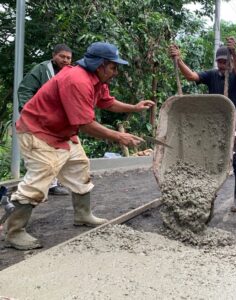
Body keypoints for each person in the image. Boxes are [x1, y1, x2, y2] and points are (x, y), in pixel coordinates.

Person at [5, 42, 155, 250]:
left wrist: (135, 107)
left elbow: (107, 102)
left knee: (79, 166)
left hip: (61, 132)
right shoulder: (76, 80)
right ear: (101, 65)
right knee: (40, 177)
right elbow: (84, 124)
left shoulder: (97, 79)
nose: (116, 72)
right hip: (38, 131)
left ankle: (83, 215)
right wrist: (119, 137)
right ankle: (14, 231)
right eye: (113, 67)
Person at [169, 36, 236, 213]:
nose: (222, 65)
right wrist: (179, 59)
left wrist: (234, 53)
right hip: (219, 126)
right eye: (219, 62)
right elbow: (191, 76)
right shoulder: (212, 75)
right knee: (213, 161)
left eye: (224, 61)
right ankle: (207, 195)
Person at [18, 44, 73, 196]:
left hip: (58, 120)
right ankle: (34, 189)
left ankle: (51, 185)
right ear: (54, 55)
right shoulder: (42, 69)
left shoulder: (70, 72)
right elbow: (25, 89)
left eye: (68, 58)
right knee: (40, 152)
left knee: (57, 150)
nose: (65, 60)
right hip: (38, 117)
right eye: (62, 56)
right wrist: (28, 110)